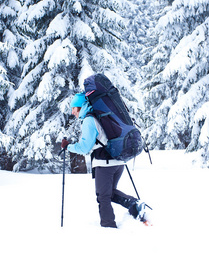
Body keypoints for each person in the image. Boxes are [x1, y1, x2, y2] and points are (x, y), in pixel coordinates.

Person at [61, 92, 147, 228]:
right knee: (109, 193)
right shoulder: (99, 117)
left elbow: (84, 148)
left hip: (104, 164)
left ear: (80, 107)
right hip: (118, 162)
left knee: (103, 197)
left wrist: (68, 147)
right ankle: (134, 205)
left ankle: (108, 226)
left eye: (74, 108)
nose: (72, 113)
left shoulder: (89, 120)